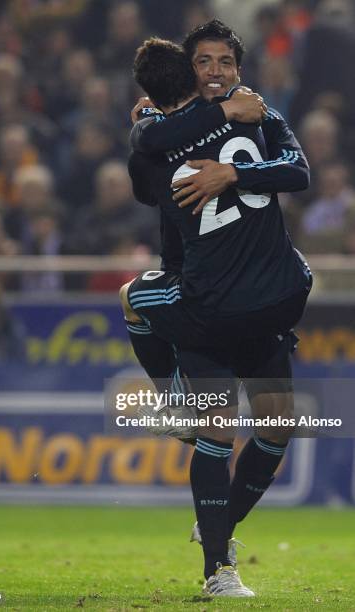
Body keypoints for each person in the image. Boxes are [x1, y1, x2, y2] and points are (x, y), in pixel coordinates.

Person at [121, 25, 311, 597]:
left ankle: (218, 532)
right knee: (215, 431)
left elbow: (299, 172)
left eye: (225, 61)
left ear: (238, 67)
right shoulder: (167, 129)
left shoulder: (258, 114)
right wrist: (149, 124)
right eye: (203, 61)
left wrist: (234, 172)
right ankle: (217, 570)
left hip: (265, 301)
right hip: (208, 302)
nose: (215, 70)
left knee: (277, 428)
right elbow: (142, 177)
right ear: (190, 70)